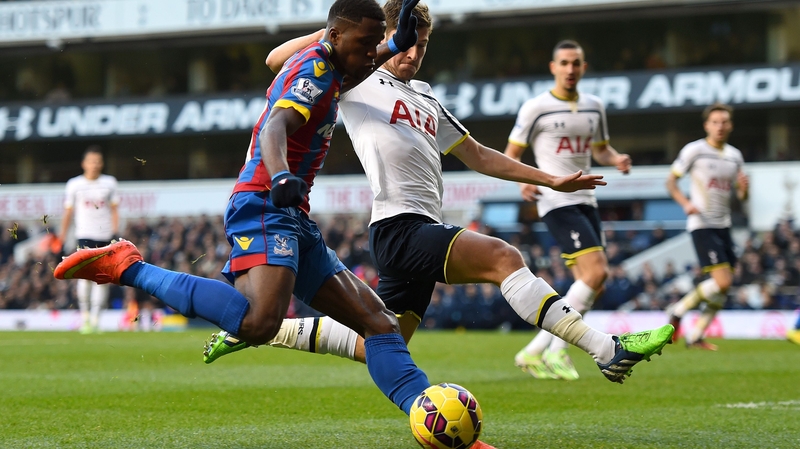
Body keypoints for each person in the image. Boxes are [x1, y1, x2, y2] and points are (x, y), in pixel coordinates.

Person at [203, 1, 674, 388]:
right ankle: (607, 349)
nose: (413, 54)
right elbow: (276, 60)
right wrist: (339, 30)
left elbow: (478, 154)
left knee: (381, 341)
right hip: (398, 224)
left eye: (422, 46)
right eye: (409, 43)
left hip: (417, 225)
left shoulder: (426, 95)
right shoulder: (355, 77)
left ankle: (261, 331)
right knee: (502, 256)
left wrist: (551, 179)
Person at [55, 0, 442, 420]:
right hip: (264, 201)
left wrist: (394, 43)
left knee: (381, 323)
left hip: (292, 214)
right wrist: (279, 176)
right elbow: (276, 126)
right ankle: (127, 267)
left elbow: (354, 64)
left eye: (376, 44)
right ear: (335, 36)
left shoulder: (336, 66)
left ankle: (431, 418)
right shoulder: (312, 70)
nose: (373, 53)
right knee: (260, 322)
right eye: (367, 43)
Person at [503, 40, 633, 380]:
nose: (570, 69)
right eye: (564, 63)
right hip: (556, 199)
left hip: (587, 200)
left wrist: (616, 158)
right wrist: (523, 182)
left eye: (576, 63)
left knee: (593, 283)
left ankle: (532, 352)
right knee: (596, 273)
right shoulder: (537, 107)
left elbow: (601, 150)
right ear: (553, 67)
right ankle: (558, 352)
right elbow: (511, 153)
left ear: (584, 67)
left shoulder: (594, 107)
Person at [665, 103, 748, 351]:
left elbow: (741, 198)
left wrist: (745, 189)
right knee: (722, 282)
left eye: (724, 122)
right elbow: (670, 181)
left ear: (730, 125)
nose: (720, 126)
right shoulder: (695, 151)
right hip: (702, 223)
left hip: (724, 224)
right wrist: (685, 203)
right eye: (715, 122)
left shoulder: (735, 156)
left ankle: (696, 335)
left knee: (726, 284)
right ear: (707, 125)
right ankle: (677, 311)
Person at [58, 146, 120, 334]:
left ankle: (96, 319)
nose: (94, 165)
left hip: (105, 236)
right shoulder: (74, 184)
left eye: (98, 161)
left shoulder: (109, 183)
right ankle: (85, 317)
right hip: (84, 235)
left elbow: (115, 209)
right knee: (84, 278)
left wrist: (115, 233)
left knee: (102, 279)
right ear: (84, 163)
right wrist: (61, 237)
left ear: (102, 164)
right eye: (91, 161)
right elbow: (68, 212)